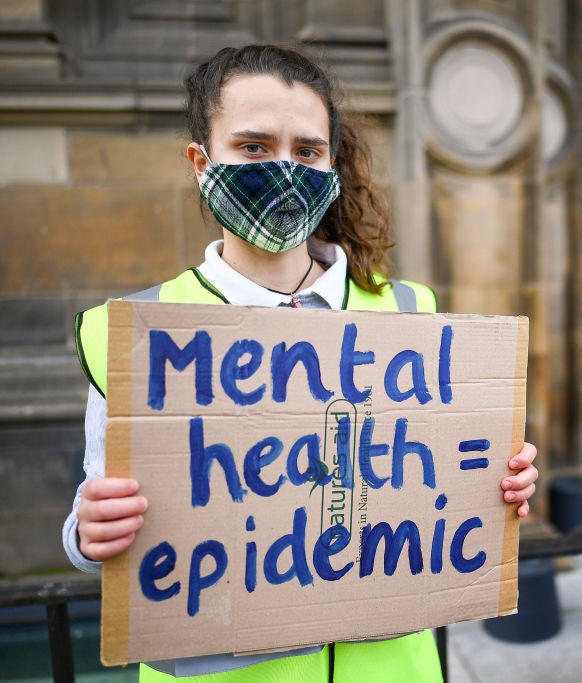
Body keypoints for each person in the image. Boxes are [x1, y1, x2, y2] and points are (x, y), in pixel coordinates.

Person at [62, 44, 539, 681]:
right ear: (202, 163)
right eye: (254, 147)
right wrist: (89, 534)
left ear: (332, 166)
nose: (285, 170)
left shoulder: (408, 312)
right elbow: (93, 521)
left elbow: (440, 483)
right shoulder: (138, 333)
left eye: (307, 151)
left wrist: (497, 484)